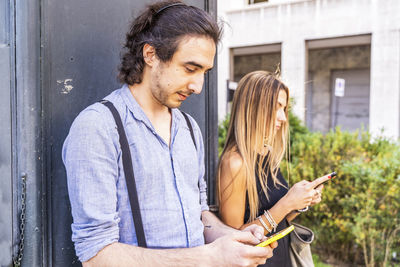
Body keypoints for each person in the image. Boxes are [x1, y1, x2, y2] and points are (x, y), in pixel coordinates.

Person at [62, 1, 277, 266]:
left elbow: (198, 214)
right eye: (190, 68)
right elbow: (96, 256)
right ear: (150, 54)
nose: (198, 86)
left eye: (204, 73)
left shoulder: (189, 128)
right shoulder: (98, 127)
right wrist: (210, 257)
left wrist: (233, 238)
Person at [217, 71, 330, 267]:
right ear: (253, 108)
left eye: (284, 108)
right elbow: (234, 241)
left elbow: (280, 219)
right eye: (276, 107)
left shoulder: (265, 153)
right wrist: (287, 203)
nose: (283, 117)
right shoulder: (234, 163)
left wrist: (302, 202)